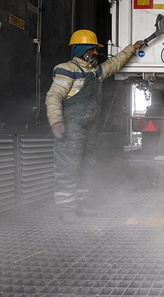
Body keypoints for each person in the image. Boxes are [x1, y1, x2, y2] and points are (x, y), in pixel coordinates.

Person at [45, 29, 144, 223]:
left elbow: (114, 63)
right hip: (71, 130)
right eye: (92, 49)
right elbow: (54, 96)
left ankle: (80, 205)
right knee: (68, 169)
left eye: (95, 50)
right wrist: (57, 121)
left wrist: (132, 49)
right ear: (81, 49)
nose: (96, 53)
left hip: (89, 130)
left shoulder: (94, 72)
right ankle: (67, 209)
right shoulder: (67, 69)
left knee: (86, 167)